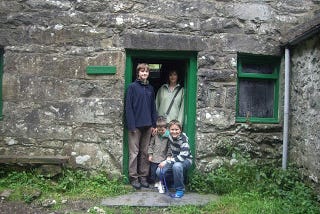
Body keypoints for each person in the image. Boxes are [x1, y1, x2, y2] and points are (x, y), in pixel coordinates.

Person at [125, 63, 157, 189]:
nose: (144, 73)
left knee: (145, 152)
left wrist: (154, 124)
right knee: (134, 153)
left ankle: (143, 177)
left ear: (148, 73)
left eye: (146, 72)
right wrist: (131, 125)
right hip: (135, 126)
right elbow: (128, 107)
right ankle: (134, 178)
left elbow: (153, 108)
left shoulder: (150, 88)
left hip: (148, 125)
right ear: (138, 73)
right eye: (142, 71)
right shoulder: (132, 87)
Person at [156, 119, 193, 198]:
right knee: (159, 171)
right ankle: (169, 183)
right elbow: (162, 131)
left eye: (177, 129)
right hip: (174, 159)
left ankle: (180, 189)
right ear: (169, 130)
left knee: (176, 166)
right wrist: (157, 129)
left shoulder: (183, 140)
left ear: (180, 130)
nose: (174, 132)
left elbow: (182, 157)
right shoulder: (169, 134)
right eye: (172, 129)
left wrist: (166, 161)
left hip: (185, 160)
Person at [147, 116, 170, 193]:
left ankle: (161, 183)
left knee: (160, 172)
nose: (160, 132)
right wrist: (150, 154)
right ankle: (155, 182)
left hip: (163, 158)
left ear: (166, 128)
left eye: (162, 130)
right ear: (156, 128)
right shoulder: (155, 135)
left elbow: (169, 148)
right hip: (154, 158)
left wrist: (168, 157)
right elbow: (151, 145)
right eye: (159, 130)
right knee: (153, 172)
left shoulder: (168, 137)